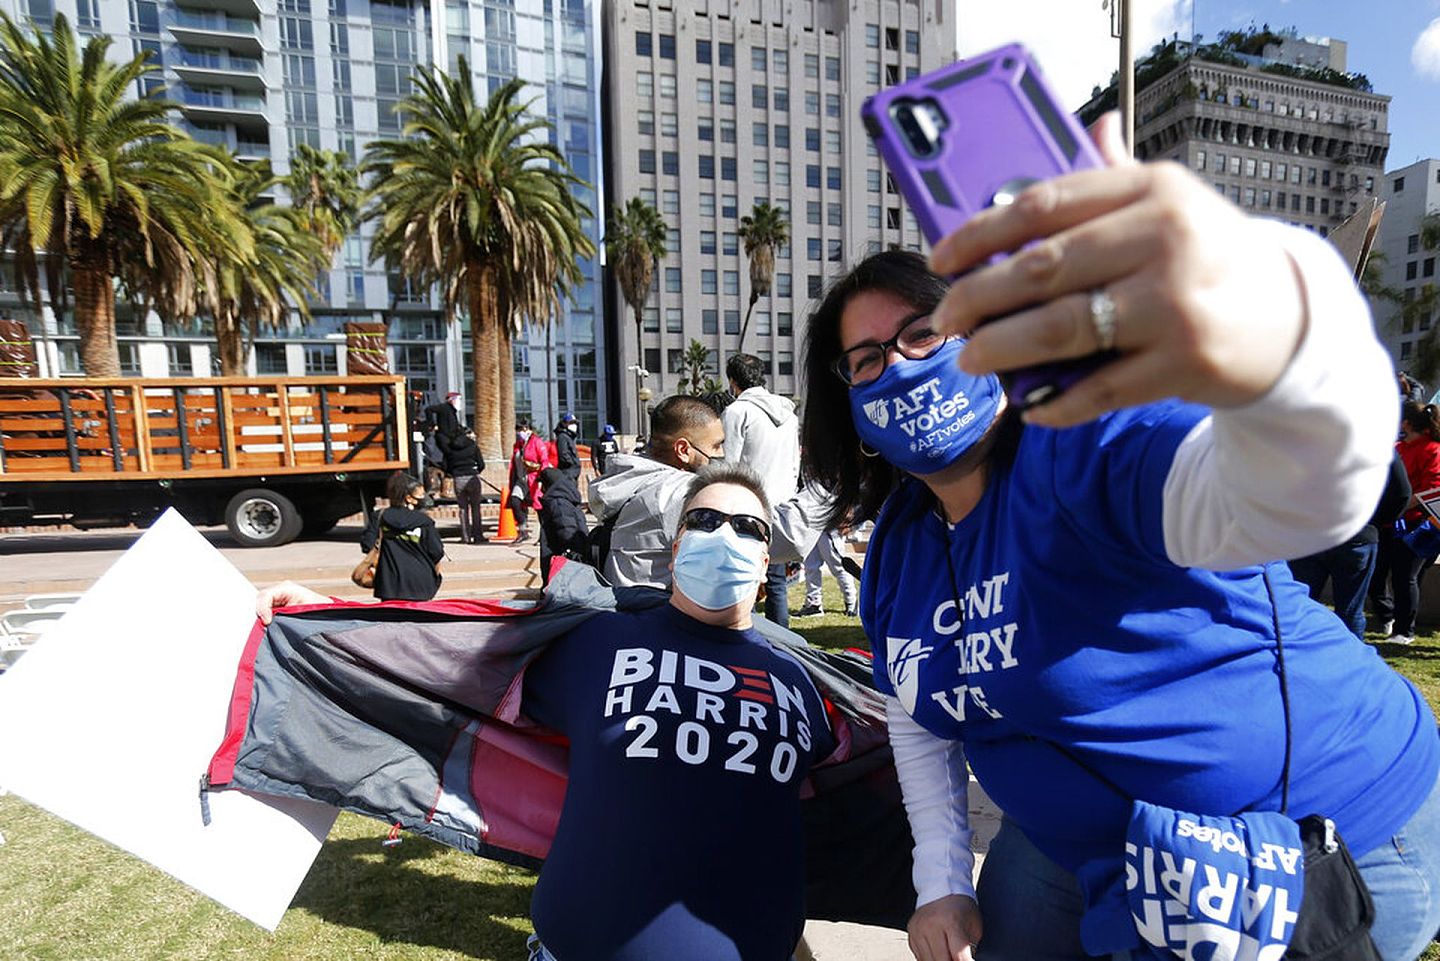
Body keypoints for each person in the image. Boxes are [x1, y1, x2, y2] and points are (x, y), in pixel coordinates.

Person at [799, 114, 1440, 961]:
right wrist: (943, 879)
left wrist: (1280, 322)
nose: (902, 364)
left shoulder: (1091, 445)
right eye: (868, 358)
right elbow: (923, 717)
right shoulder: (900, 546)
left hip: (1325, 835)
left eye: (925, 332)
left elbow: (1307, 494)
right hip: (1087, 848)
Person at [521, 464, 836, 961]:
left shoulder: (797, 679)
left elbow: (782, 824)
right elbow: (482, 691)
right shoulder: (592, 641)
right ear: (675, 550)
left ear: (764, 568)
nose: (724, 534)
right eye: (705, 520)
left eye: (748, 527)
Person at [589, 394, 827, 592]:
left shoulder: (633, 482)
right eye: (716, 445)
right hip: (668, 631)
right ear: (683, 449)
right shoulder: (675, 493)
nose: (722, 453)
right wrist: (829, 485)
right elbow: (785, 536)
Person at [1289, 451, 1408, 639]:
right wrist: (1372, 521)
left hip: (1312, 531)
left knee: (1298, 605)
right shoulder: (1378, 444)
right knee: (1350, 610)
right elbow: (1402, 493)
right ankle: (1350, 662)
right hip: (1355, 534)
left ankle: (1295, 657)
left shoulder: (1309, 434)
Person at [722, 353, 802, 628]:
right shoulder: (788, 415)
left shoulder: (737, 411)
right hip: (780, 504)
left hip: (745, 504)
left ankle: (748, 636)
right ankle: (783, 640)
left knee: (743, 578)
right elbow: (795, 462)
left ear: (733, 381)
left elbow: (728, 463)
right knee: (776, 581)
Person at [1370, 401, 1440, 645]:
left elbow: (1433, 489)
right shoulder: (1398, 447)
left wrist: (1400, 506)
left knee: (1405, 576)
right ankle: (1389, 618)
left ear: (1407, 423)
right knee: (1383, 575)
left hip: (1419, 525)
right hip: (1392, 523)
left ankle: (1404, 631)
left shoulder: (1432, 449)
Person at [359, 472, 445, 602]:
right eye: (421, 495)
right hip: (421, 583)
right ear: (408, 498)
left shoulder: (380, 517)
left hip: (389, 584)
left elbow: (367, 545)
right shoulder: (424, 521)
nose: (424, 498)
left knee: (391, 619)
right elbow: (436, 551)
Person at [536, 467, 588, 587]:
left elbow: (566, 530)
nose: (541, 489)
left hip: (562, 565)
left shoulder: (558, 503)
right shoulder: (566, 499)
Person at [794, 526, 857, 619]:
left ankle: (852, 603)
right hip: (811, 526)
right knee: (811, 566)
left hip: (829, 526)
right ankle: (814, 605)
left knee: (838, 566)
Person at [444, 427, 487, 544]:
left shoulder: (451, 447)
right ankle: (478, 536)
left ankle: (465, 536)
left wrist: (453, 472)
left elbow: (446, 466)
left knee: (462, 509)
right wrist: (476, 471)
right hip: (472, 477)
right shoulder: (472, 446)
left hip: (458, 478)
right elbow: (481, 464)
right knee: (476, 508)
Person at [508, 420, 548, 542]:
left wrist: (542, 478)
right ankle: (523, 530)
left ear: (530, 430)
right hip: (521, 479)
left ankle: (544, 535)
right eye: (519, 430)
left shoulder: (537, 442)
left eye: (525, 429)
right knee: (514, 501)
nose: (522, 432)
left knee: (539, 508)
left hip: (535, 479)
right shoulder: (517, 445)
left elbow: (544, 461)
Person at [554, 412, 581, 484]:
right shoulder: (562, 437)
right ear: (564, 424)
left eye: (575, 423)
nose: (574, 425)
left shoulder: (569, 437)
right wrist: (573, 463)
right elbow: (563, 454)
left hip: (572, 473)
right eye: (571, 423)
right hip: (568, 473)